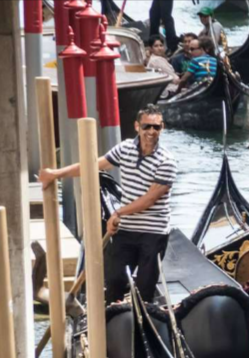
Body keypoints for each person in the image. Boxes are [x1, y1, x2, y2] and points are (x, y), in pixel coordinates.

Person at [39, 105, 175, 304]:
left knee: (146, 287)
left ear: (162, 128)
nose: (152, 132)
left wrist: (118, 212)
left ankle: (142, 325)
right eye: (147, 126)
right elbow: (92, 165)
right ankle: (113, 322)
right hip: (127, 229)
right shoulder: (125, 148)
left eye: (157, 127)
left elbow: (149, 199)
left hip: (153, 233)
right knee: (114, 281)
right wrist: (56, 174)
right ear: (137, 126)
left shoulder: (167, 161)